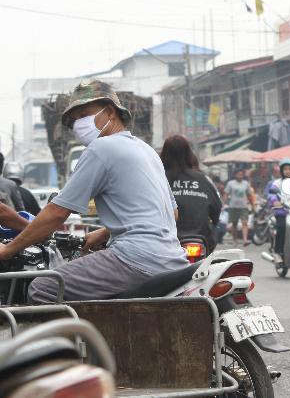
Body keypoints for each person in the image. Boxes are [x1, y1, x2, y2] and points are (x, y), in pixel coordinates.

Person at [0, 80, 188, 303]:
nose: (78, 124)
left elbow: (57, 212)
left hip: (135, 258)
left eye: (83, 114)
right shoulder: (145, 149)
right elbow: (172, 214)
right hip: (172, 258)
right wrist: (105, 232)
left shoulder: (101, 148)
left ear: (109, 112)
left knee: (44, 287)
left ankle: (76, 339)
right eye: (74, 120)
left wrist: (7, 251)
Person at [160, 135, 222, 252]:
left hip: (166, 243)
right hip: (203, 240)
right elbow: (217, 208)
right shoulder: (203, 179)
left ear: (164, 154)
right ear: (189, 153)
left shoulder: (158, 179)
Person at [224, 168, 256, 245]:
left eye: (241, 174)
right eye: (238, 174)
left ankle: (245, 240)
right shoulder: (230, 183)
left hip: (243, 206)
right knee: (234, 224)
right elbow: (226, 193)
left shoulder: (246, 183)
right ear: (235, 175)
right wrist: (224, 203)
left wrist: (252, 205)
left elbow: (249, 195)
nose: (240, 176)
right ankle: (235, 240)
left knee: (244, 222)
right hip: (233, 206)